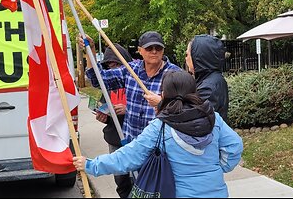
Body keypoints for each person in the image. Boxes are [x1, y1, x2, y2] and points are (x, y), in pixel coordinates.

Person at [73, 71, 243, 198]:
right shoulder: (213, 118)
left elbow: (127, 157)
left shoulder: (161, 127)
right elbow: (234, 146)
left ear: (163, 94)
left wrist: (91, 165)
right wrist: (219, 167)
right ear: (194, 92)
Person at [79, 31, 182, 143]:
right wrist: (91, 49)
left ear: (163, 50)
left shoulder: (176, 74)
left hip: (160, 145)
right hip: (132, 144)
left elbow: (186, 109)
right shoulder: (131, 70)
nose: (154, 51)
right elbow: (98, 80)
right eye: (149, 48)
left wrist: (162, 103)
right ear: (140, 50)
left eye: (158, 48)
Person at [145, 34, 229, 122]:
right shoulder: (208, 80)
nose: (186, 59)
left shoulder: (209, 87)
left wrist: (162, 103)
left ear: (198, 57)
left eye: (187, 55)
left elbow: (191, 118)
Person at [92, 43, 134, 198]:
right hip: (115, 139)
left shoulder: (136, 81)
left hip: (136, 139)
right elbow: (103, 109)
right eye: (109, 66)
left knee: (139, 180)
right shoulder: (107, 85)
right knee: (121, 180)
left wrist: (127, 109)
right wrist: (103, 117)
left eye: (116, 64)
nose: (113, 69)